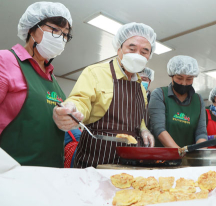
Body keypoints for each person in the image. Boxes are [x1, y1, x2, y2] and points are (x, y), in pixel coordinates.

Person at [53, 22, 156, 168]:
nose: (137, 55)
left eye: (144, 52)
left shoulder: (140, 86)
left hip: (130, 164)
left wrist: (144, 129)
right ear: (119, 48)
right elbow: (81, 100)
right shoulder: (95, 73)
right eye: (131, 49)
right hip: (95, 160)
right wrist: (72, 108)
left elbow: (139, 118)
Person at [0, 2, 73, 167]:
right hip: (8, 173)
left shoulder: (51, 77)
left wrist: (69, 119)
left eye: (65, 34)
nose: (61, 38)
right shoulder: (2, 61)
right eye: (55, 30)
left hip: (50, 173)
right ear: (32, 28)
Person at [148, 55, 208, 148]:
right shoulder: (160, 94)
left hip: (188, 159)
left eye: (189, 79)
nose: (184, 83)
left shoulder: (198, 100)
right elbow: (159, 129)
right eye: (179, 78)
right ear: (171, 76)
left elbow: (201, 133)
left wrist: (199, 155)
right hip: (161, 158)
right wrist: (180, 152)